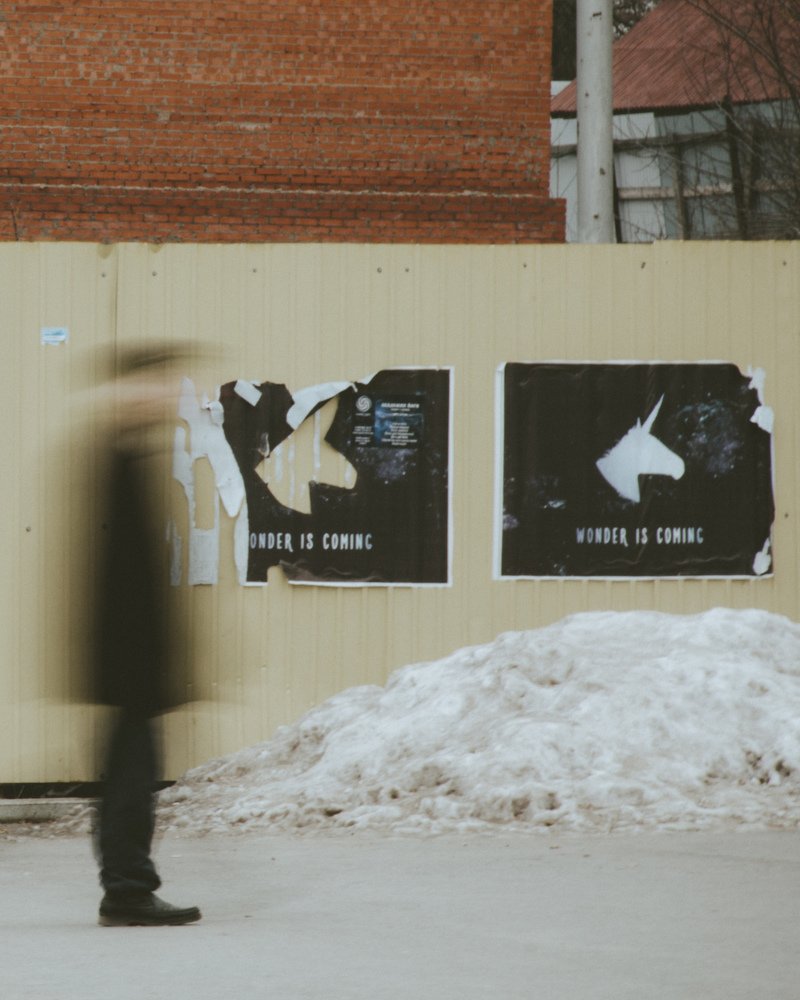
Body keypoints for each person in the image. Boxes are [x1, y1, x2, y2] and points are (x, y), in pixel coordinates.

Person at [92, 345, 201, 927]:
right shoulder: (116, 462)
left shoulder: (127, 457)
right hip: (128, 663)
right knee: (131, 781)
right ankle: (128, 890)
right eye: (155, 385)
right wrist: (141, 665)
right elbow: (115, 578)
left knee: (126, 779)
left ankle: (126, 885)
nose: (164, 397)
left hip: (129, 663)